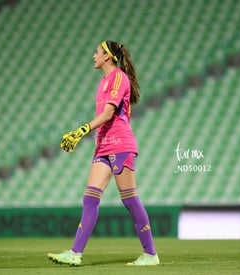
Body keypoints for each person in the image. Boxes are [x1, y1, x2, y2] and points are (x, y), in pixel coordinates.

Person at [47, 40, 159, 266]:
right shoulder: (104, 82)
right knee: (90, 198)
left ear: (108, 56)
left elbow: (108, 114)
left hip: (121, 145)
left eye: (97, 52)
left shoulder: (118, 77)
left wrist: (81, 131)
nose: (93, 56)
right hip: (104, 146)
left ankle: (150, 254)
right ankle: (75, 253)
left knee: (130, 200)